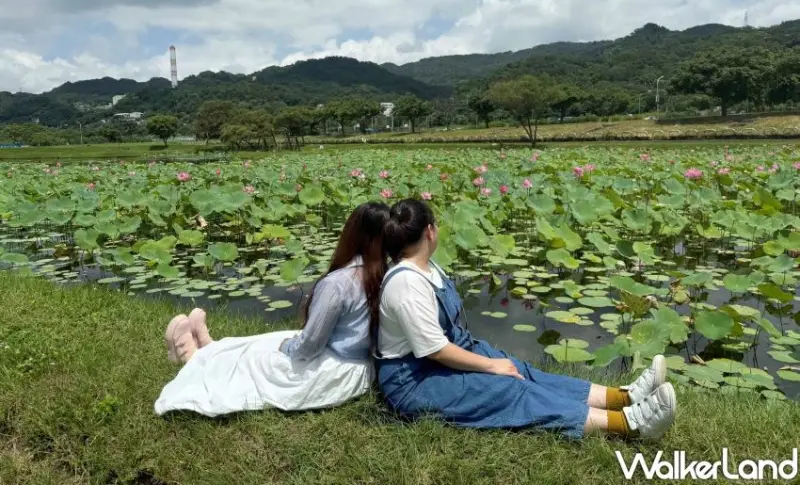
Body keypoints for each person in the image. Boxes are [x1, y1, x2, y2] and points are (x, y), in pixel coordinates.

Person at [373, 199, 677, 442]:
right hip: (414, 381)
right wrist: (491, 366)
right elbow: (434, 349)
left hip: (441, 360)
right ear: (430, 231)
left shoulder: (427, 268)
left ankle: (622, 397)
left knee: (520, 370)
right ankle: (628, 424)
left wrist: (497, 363)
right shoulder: (406, 284)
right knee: (508, 390)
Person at [154, 201, 391, 416]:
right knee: (268, 338)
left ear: (351, 234)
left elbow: (308, 347)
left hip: (336, 373)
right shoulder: (387, 274)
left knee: (259, 359)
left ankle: (195, 358)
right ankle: (211, 348)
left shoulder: (339, 284)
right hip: (362, 369)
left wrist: (287, 347)